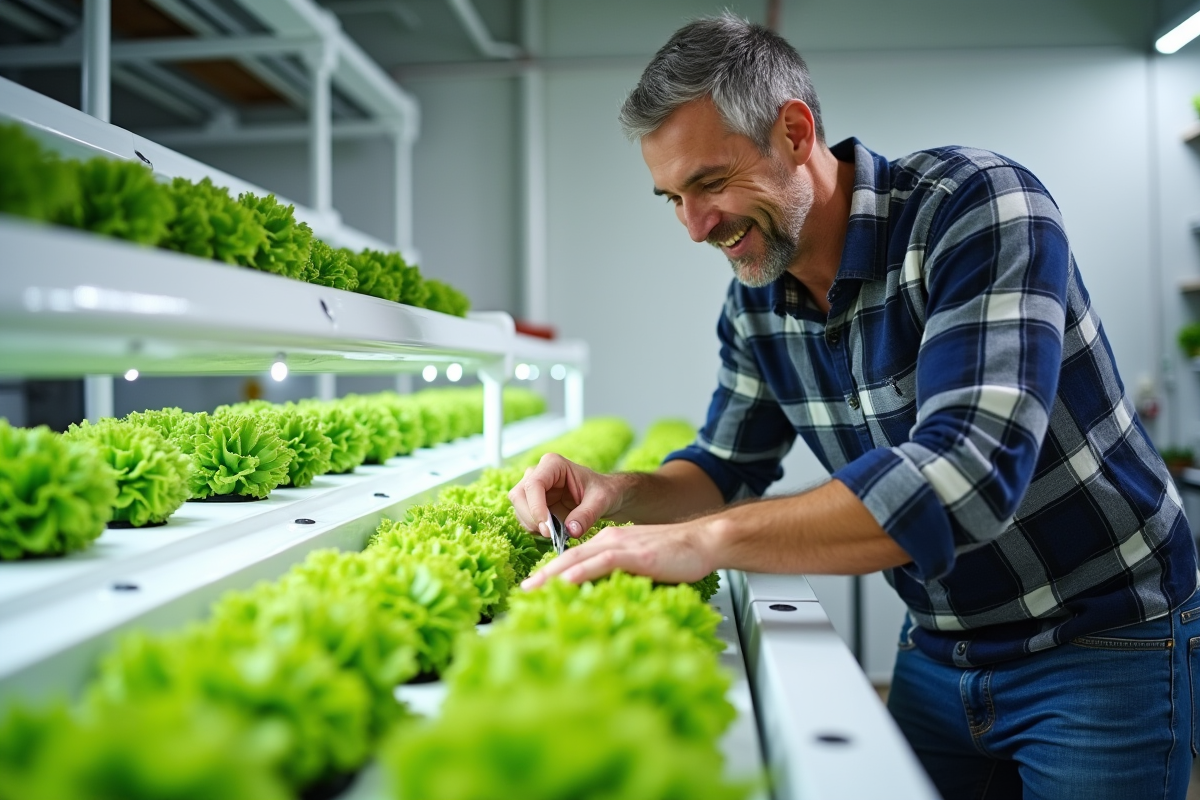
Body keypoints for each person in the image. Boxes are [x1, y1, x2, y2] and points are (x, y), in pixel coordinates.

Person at [508, 12, 1200, 800]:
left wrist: (707, 542)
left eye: (709, 183)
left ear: (795, 132)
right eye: (670, 197)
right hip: (942, 645)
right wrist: (620, 494)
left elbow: (967, 479)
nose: (694, 226)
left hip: (1101, 638)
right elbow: (724, 464)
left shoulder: (973, 207)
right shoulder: (757, 303)